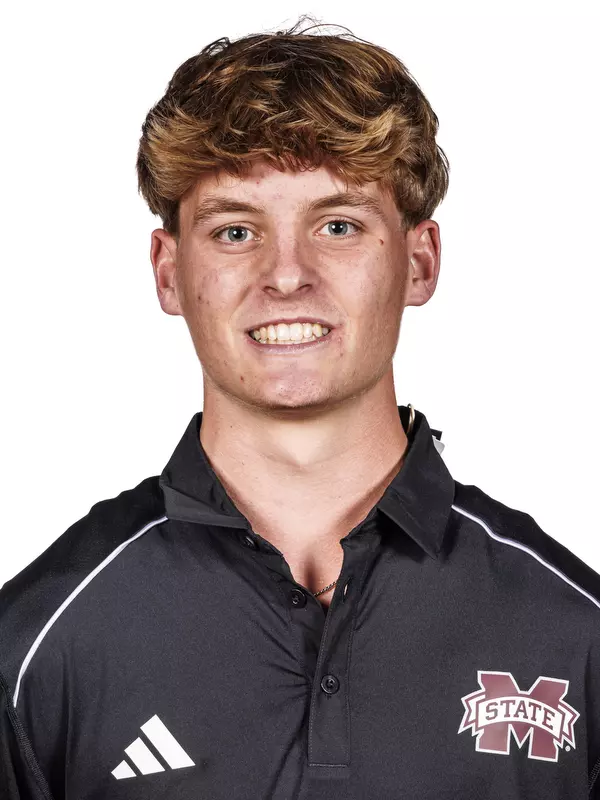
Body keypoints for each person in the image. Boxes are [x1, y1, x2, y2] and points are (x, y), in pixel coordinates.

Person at [1, 16, 599, 800]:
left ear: (419, 262)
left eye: (338, 225)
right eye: (237, 230)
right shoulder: (39, 649)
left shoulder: (572, 629)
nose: (287, 276)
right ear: (169, 272)